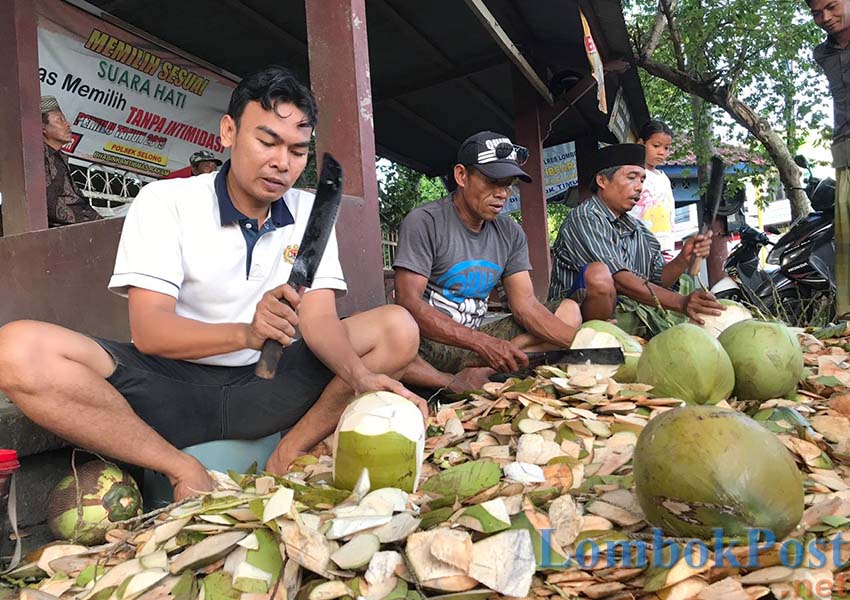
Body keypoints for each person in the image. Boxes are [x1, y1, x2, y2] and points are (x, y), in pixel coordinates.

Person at [0, 66, 425, 501]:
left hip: (270, 385)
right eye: (267, 141)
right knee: (16, 350)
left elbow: (318, 321)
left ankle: (289, 453)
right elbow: (150, 332)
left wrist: (359, 377)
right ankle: (176, 466)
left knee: (398, 327)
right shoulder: (167, 201)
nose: (282, 162)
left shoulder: (312, 212)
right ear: (228, 132)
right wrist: (247, 333)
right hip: (174, 391)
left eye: (298, 151)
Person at [393, 131, 582, 392]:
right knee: (392, 338)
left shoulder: (510, 233)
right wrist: (481, 343)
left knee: (568, 312)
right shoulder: (425, 221)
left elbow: (525, 305)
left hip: (475, 344)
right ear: (462, 176)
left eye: (508, 184)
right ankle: (452, 384)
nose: (502, 194)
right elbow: (408, 302)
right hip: (429, 345)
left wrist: (584, 343)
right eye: (493, 182)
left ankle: (479, 372)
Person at [548, 143, 722, 333]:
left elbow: (657, 281)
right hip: (572, 321)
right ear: (602, 181)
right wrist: (681, 302)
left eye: (642, 180)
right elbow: (619, 279)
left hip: (628, 316)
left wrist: (683, 258)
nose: (639, 187)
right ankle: (594, 344)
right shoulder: (585, 218)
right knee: (598, 275)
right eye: (631, 178)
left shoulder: (640, 230)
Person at [808, 0, 850, 317]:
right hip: (844, 155)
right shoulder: (822, 54)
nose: (825, 18)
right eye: (816, 13)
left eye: (832, 6)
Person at [41, 96, 103, 228]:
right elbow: (48, 203)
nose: (67, 124)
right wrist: (87, 223)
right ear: (43, 128)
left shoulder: (60, 157)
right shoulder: (39, 155)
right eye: (59, 120)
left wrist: (100, 221)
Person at [633, 120, 677, 258]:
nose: (661, 152)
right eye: (656, 146)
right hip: (638, 246)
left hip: (665, 247)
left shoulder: (664, 178)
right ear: (640, 144)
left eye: (666, 148)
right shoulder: (633, 173)